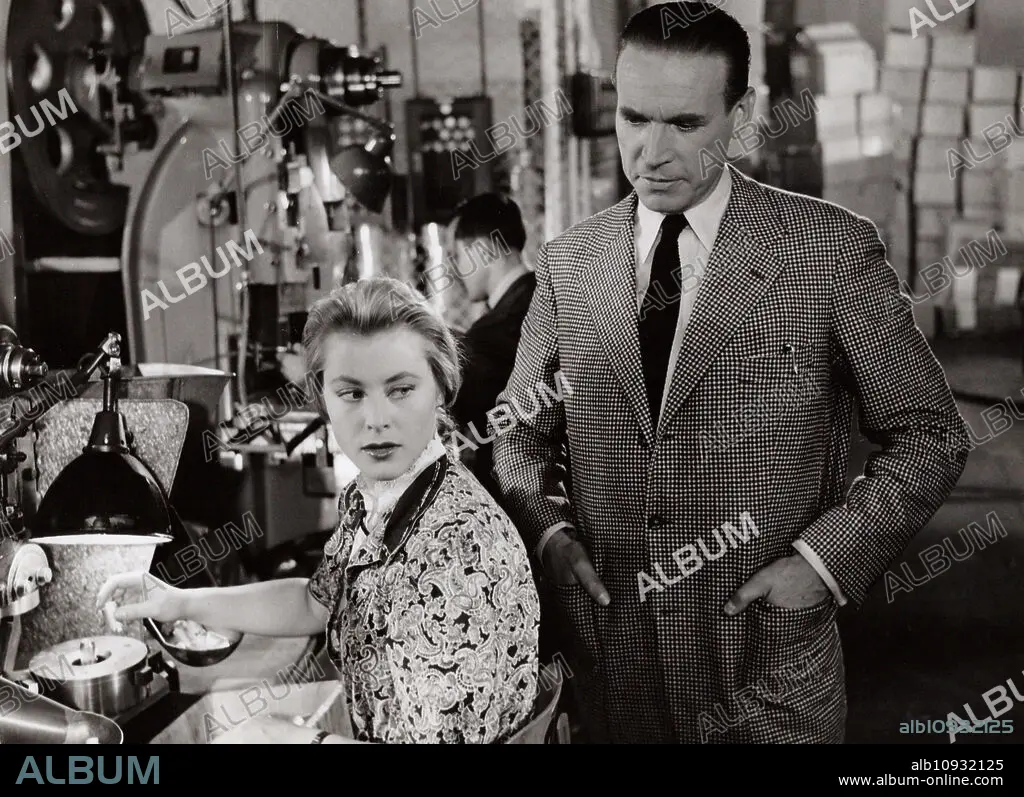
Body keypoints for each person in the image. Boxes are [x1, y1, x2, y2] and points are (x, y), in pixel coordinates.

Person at [491, 2, 971, 744]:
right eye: (633, 118)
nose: (651, 153)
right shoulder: (569, 263)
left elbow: (931, 433)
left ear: (740, 118)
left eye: (684, 124)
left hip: (765, 675)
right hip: (616, 676)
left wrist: (823, 563)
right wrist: (550, 533)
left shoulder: (827, 251)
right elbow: (518, 430)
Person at [98, 278, 540, 744]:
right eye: (352, 393)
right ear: (323, 398)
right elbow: (315, 601)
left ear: (441, 388)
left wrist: (297, 741)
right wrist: (178, 602)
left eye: (401, 389)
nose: (376, 419)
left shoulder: (456, 547)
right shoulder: (377, 496)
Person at [449, 193, 537, 499]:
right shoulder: (547, 297)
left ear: (482, 251)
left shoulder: (491, 333)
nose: (456, 270)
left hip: (516, 492)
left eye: (457, 255)